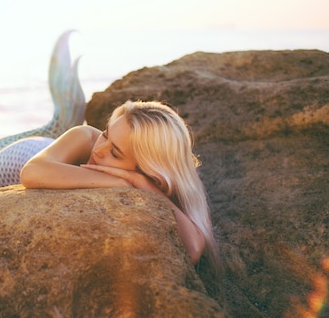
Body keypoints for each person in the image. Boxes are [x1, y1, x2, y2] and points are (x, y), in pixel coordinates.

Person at [20, 100, 220, 268]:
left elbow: (193, 249)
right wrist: (120, 181)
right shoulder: (85, 138)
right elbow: (31, 172)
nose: (99, 150)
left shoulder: (152, 181)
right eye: (106, 134)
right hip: (21, 155)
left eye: (115, 153)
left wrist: (140, 183)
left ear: (148, 171)